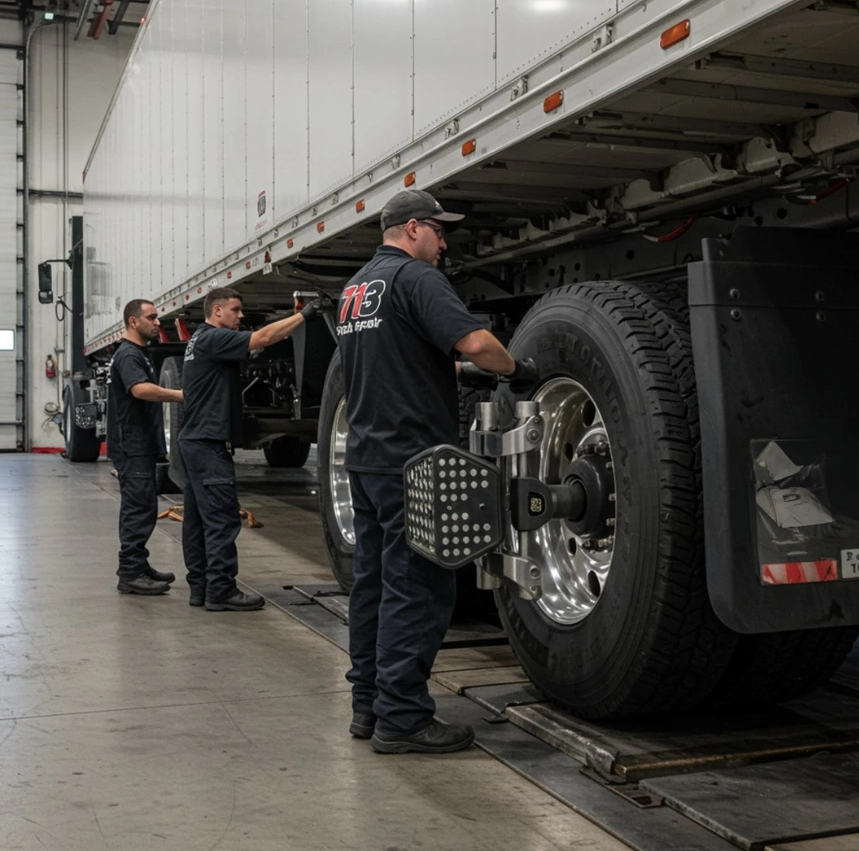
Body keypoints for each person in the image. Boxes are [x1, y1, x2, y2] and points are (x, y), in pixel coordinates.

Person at [337, 189, 537, 754]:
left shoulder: (357, 289)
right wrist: (516, 368)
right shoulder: (416, 279)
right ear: (413, 229)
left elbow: (396, 355)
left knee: (372, 585)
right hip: (413, 463)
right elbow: (476, 342)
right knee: (419, 587)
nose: (444, 244)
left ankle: (369, 705)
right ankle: (402, 719)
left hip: (368, 458)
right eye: (439, 231)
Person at [176, 286, 331, 611]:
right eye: (235, 310)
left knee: (197, 520)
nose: (241, 315)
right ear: (217, 311)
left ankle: (200, 587)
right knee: (221, 519)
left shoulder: (199, 341)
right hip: (207, 444)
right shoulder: (213, 338)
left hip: (193, 442)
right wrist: (304, 315)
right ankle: (221, 591)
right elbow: (261, 338)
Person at [107, 298, 185, 595]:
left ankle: (138, 565)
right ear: (133, 321)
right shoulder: (129, 355)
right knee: (138, 510)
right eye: (151, 318)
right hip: (132, 446)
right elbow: (140, 390)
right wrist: (180, 395)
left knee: (143, 507)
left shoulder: (138, 352)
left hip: (139, 444)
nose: (157, 323)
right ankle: (129, 573)